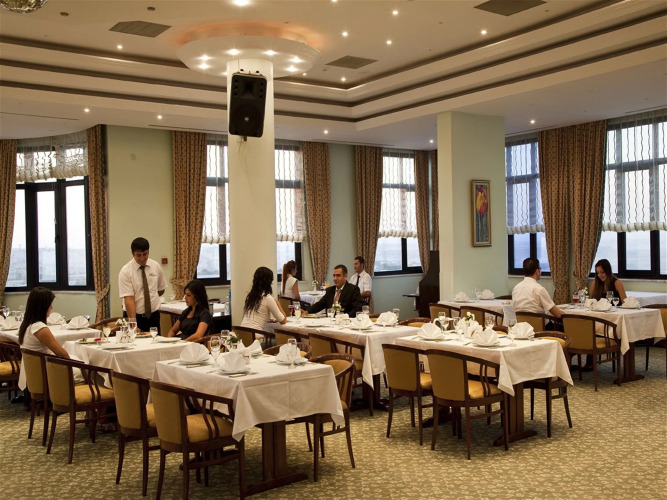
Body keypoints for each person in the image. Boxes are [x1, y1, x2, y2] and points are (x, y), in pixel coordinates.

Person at [118, 237, 166, 333]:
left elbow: (161, 289)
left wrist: (151, 299)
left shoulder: (155, 266)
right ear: (133, 254)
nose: (142, 258)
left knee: (156, 341)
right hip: (134, 316)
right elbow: (129, 300)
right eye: (138, 255)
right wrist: (133, 323)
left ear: (148, 252)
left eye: (145, 254)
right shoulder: (126, 271)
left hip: (153, 316)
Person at [18, 286, 70, 359]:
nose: (51, 308)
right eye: (49, 304)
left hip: (29, 365)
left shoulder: (26, 324)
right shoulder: (39, 328)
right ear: (43, 307)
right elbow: (62, 355)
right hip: (41, 366)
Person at [240, 267, 287, 331]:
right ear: (269, 282)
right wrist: (277, 303)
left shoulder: (250, 297)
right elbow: (283, 320)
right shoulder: (267, 298)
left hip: (242, 332)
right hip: (255, 334)